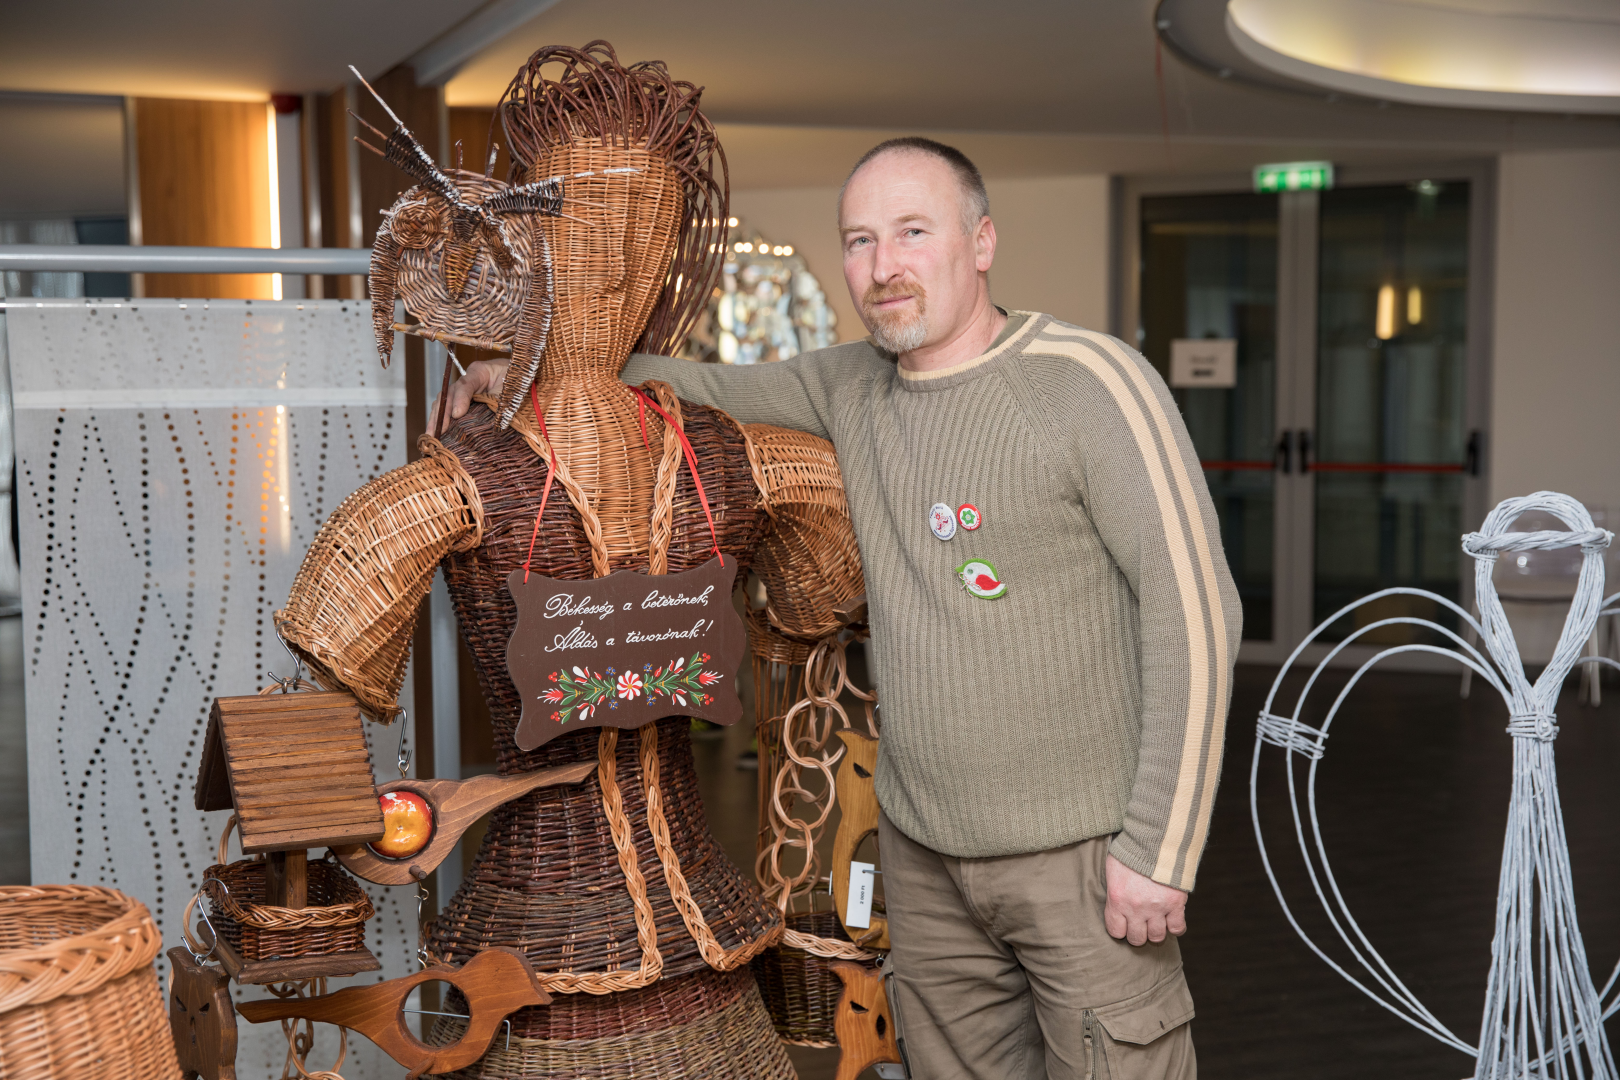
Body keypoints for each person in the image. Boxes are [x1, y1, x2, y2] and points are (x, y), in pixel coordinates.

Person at [441, 137, 1241, 1079]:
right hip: (924, 859)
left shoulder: (1090, 382)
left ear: (982, 242)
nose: (883, 265)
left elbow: (1198, 612)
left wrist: (1160, 849)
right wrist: (522, 375)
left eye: (913, 232)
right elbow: (695, 388)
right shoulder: (850, 384)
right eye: (860, 240)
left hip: (1083, 860)